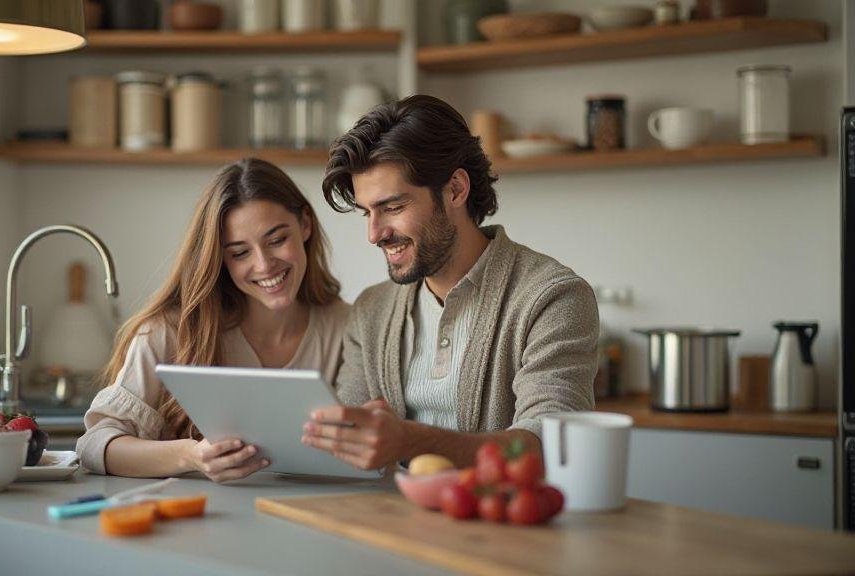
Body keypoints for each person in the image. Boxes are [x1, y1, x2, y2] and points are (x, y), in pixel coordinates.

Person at [301, 95, 599, 470]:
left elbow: (549, 443)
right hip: (387, 522)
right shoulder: (371, 310)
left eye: (393, 208)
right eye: (367, 213)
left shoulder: (552, 298)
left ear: (456, 189)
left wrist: (408, 439)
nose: (374, 234)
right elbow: (346, 446)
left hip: (505, 522)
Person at [77, 158, 349, 482]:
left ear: (305, 224)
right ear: (220, 259)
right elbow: (94, 445)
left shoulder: (345, 327)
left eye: (277, 240)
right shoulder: (170, 332)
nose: (264, 265)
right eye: (239, 253)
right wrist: (191, 456)